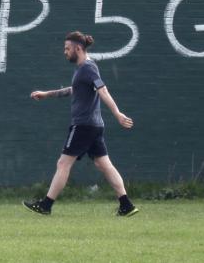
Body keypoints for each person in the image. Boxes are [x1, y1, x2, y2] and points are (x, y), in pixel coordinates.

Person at [22, 31, 139, 217]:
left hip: (83, 126)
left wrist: (117, 113)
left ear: (78, 48)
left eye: (67, 48)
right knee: (104, 165)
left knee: (63, 163)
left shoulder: (88, 67)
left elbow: (103, 90)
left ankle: (46, 205)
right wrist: (47, 94)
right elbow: (73, 90)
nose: (65, 52)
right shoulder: (83, 70)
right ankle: (126, 204)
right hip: (94, 126)